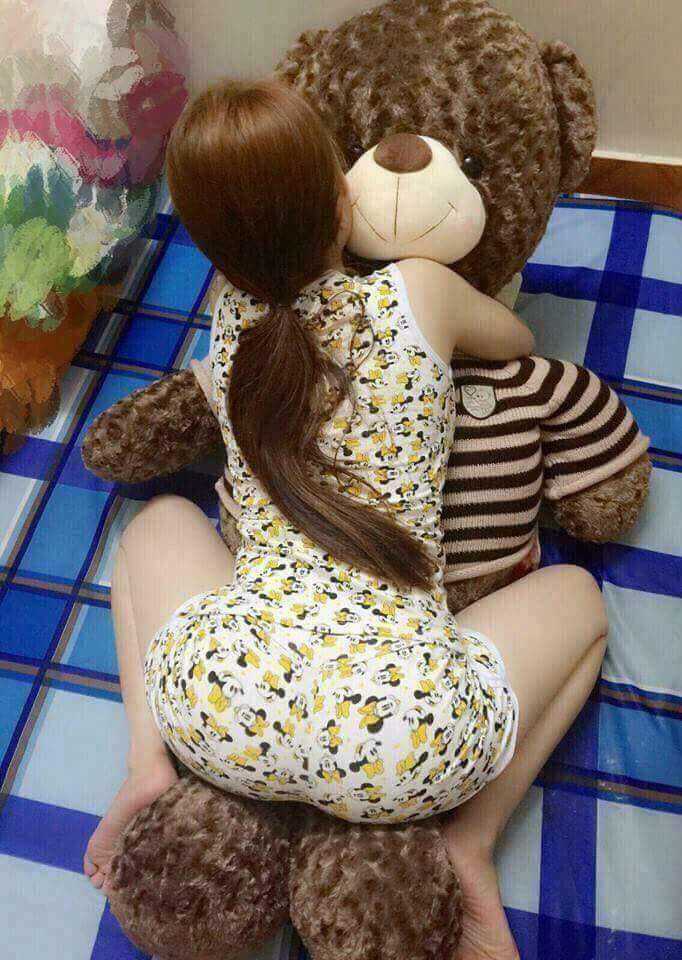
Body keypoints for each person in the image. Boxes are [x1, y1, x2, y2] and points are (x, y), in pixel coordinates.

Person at [84, 79, 608, 960]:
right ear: (342, 200)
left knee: (153, 524)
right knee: (583, 603)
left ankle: (147, 764)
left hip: (225, 714)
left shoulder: (227, 318)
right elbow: (516, 344)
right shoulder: (420, 291)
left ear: (209, 244)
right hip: (406, 740)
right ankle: (470, 844)